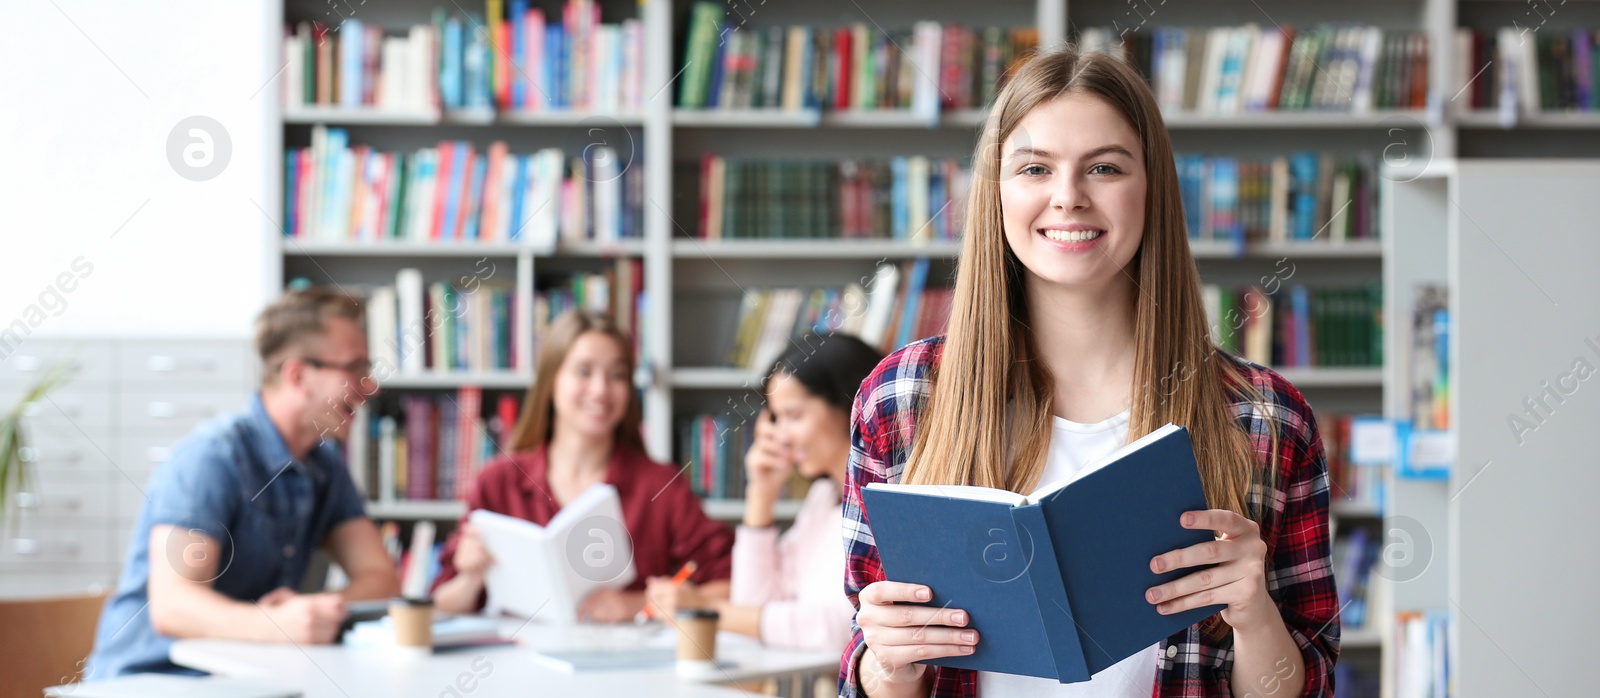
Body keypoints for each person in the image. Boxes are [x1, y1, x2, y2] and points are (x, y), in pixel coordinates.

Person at [839, 45, 1339, 698]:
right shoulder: (899, 403)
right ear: (996, 191)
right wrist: (885, 664)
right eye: (1034, 168)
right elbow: (863, 671)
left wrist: (1253, 616)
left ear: (1151, 188)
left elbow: (1306, 688)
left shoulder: (1267, 420)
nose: (1068, 197)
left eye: (1103, 167)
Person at [86, 288, 400, 679]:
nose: (370, 386)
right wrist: (281, 625)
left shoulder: (325, 468)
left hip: (243, 677)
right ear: (297, 374)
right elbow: (172, 605)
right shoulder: (212, 459)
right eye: (355, 368)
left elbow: (381, 578)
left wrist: (315, 610)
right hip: (153, 677)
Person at [431, 310, 734, 620]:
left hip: (629, 664)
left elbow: (726, 587)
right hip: (520, 662)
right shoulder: (497, 481)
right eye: (584, 372)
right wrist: (470, 577)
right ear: (551, 382)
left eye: (616, 375)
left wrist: (639, 605)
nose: (601, 390)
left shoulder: (660, 485)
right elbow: (439, 605)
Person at [645, 334, 883, 651]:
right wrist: (760, 494)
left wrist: (706, 609)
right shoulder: (824, 499)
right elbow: (755, 602)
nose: (780, 437)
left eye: (793, 416)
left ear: (851, 403)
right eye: (775, 418)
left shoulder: (881, 504)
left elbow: (843, 629)